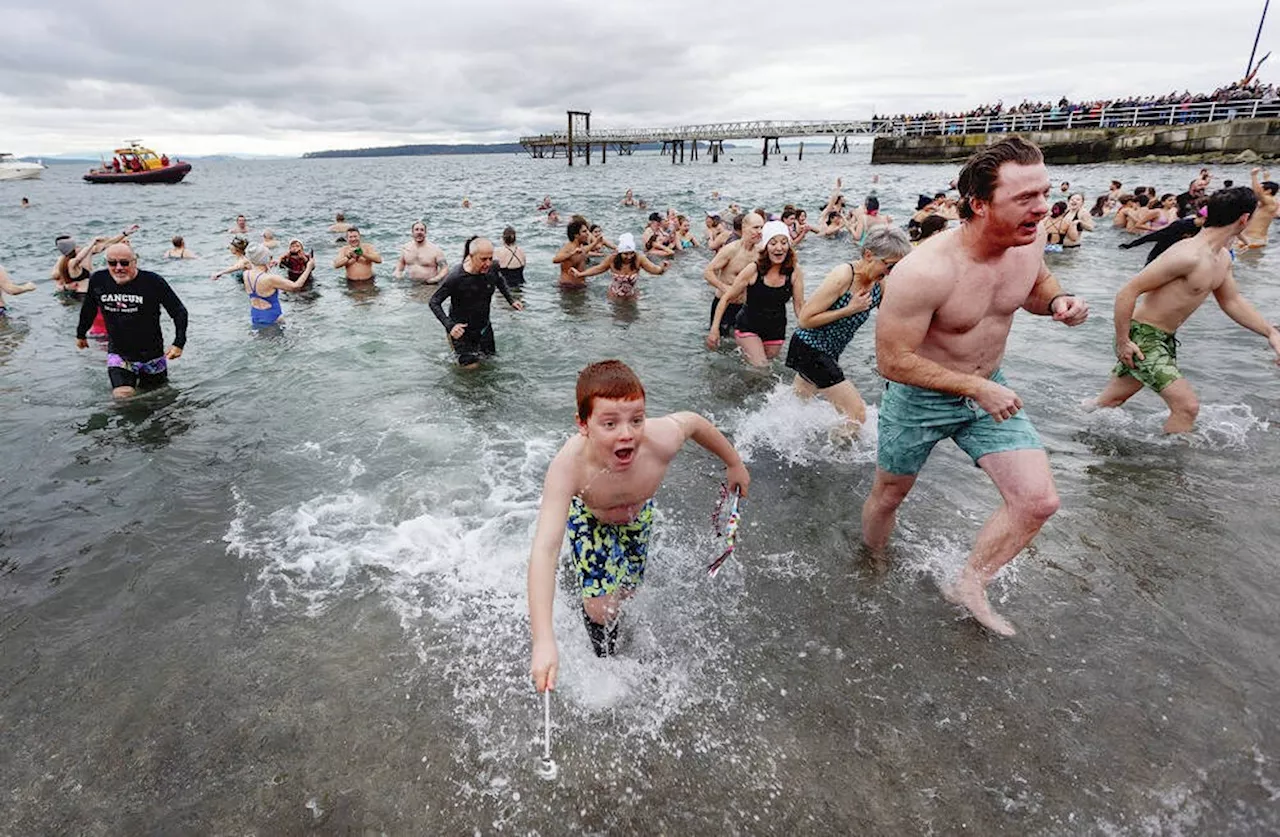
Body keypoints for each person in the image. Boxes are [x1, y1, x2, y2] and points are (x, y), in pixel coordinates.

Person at [860, 137, 1089, 637]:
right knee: (890, 496)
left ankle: (970, 583)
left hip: (991, 390)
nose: (1042, 207)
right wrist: (972, 387)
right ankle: (871, 560)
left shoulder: (1030, 241)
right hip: (920, 398)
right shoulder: (924, 271)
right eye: (1025, 198)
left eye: (1043, 192)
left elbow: (1035, 286)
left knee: (1037, 502)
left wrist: (1058, 302)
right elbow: (891, 361)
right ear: (980, 204)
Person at [527, 360, 750, 676]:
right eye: (609, 424)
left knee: (628, 591)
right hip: (592, 520)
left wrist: (734, 463)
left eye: (636, 420)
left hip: (637, 517)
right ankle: (605, 663)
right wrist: (543, 640)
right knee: (602, 608)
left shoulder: (660, 440)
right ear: (583, 424)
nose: (626, 434)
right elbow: (544, 549)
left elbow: (695, 422)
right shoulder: (569, 467)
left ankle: (597, 591)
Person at [1090, 186, 1280, 433]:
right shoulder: (1188, 254)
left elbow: (1232, 301)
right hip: (1143, 338)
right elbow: (1128, 291)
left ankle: (1064, 427)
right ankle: (1168, 470)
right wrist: (1123, 341)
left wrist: (1271, 333)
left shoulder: (1222, 257)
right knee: (1187, 407)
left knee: (1108, 401)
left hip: (1164, 339)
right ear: (1244, 219)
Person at [785, 227, 911, 430]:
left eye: (897, 268)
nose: (890, 273)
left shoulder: (880, 284)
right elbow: (805, 319)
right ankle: (837, 458)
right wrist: (848, 309)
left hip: (830, 352)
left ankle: (777, 441)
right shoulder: (844, 275)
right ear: (869, 255)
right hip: (809, 347)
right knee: (856, 414)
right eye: (889, 266)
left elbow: (893, 320)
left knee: (798, 404)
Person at [75, 243, 188, 399]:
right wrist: (80, 334)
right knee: (123, 396)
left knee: (158, 399)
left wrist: (179, 343)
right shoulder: (99, 280)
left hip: (152, 354)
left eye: (124, 263)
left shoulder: (153, 281)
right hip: (120, 354)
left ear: (135, 262)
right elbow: (89, 309)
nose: (118, 267)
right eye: (112, 263)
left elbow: (179, 311)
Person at [707, 220, 806, 367]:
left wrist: (811, 332)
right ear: (765, 247)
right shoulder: (753, 269)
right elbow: (726, 298)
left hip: (776, 330)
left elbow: (799, 307)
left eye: (784, 242)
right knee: (761, 367)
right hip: (748, 326)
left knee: (767, 370)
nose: (779, 248)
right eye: (773, 243)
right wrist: (714, 329)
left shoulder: (794, 271)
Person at [428, 237, 524, 369]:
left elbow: (499, 281)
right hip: (461, 332)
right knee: (471, 372)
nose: (488, 263)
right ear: (471, 256)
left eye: (490, 258)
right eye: (483, 259)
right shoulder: (455, 277)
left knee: (491, 365)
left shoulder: (492, 268)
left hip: (484, 329)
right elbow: (434, 302)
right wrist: (450, 326)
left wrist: (511, 300)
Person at [702, 212, 764, 339]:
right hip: (725, 306)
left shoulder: (761, 253)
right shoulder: (731, 250)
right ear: (744, 227)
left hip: (746, 307)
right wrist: (724, 287)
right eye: (756, 227)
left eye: (761, 228)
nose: (759, 231)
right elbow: (708, 272)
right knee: (719, 346)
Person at [570, 233, 668, 298]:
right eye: (625, 254)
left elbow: (654, 270)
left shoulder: (639, 259)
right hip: (614, 297)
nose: (629, 257)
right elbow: (598, 269)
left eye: (631, 253)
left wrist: (662, 268)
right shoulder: (612, 259)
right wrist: (580, 274)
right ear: (620, 253)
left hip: (631, 297)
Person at [242, 243, 311, 328]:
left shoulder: (246, 274)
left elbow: (258, 273)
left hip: (255, 314)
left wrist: (267, 266)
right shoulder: (271, 279)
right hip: (272, 317)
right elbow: (296, 286)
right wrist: (308, 268)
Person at [1240, 168, 1277, 248]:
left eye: (1261, 188)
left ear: (1269, 191)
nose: (1259, 189)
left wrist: (1254, 176)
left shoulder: (1270, 201)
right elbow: (1262, 192)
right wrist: (1266, 179)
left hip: (1254, 239)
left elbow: (1257, 193)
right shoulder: (1268, 201)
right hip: (1250, 239)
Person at [552, 219, 592, 289]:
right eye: (584, 231)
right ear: (576, 235)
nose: (588, 233)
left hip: (580, 286)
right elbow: (555, 260)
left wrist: (596, 242)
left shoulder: (580, 247)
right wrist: (571, 254)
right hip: (568, 287)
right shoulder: (569, 248)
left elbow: (585, 250)